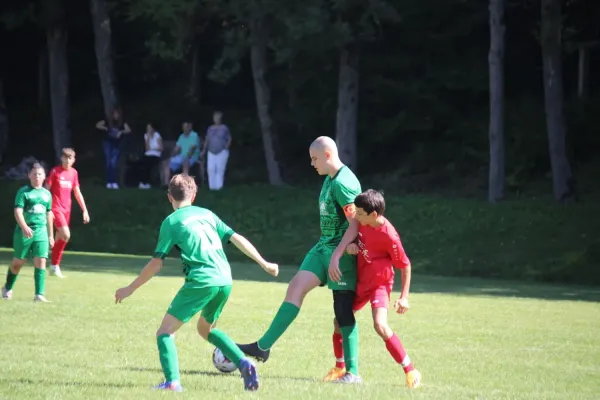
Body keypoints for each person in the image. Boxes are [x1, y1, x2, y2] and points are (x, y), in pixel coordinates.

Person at [114, 173, 279, 392]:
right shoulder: (207, 214)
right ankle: (244, 362)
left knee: (165, 332)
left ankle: (172, 383)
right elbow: (236, 237)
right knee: (206, 329)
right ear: (194, 195)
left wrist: (130, 288)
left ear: (169, 197)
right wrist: (264, 263)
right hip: (224, 279)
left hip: (201, 281)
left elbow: (156, 264)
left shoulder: (171, 222)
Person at [237, 136, 364, 384]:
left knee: (342, 312)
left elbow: (357, 225)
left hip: (342, 254)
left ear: (328, 155)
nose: (312, 164)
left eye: (314, 159)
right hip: (322, 248)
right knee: (295, 287)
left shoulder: (344, 183)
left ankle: (353, 373)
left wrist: (338, 256)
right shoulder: (329, 179)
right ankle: (262, 347)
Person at [323, 189, 422, 388]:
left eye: (359, 213)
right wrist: (351, 246)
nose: (355, 216)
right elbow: (354, 238)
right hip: (362, 282)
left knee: (380, 325)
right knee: (339, 322)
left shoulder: (390, 236)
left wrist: (404, 297)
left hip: (379, 284)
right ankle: (340, 367)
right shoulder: (361, 221)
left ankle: (410, 370)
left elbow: (405, 265)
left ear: (373, 215)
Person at [2, 163, 54, 302]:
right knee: (18, 262)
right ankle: (7, 287)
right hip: (24, 232)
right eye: (34, 174)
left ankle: (39, 294)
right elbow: (18, 211)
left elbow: (49, 214)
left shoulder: (47, 194)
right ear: (29, 175)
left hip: (41, 232)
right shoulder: (24, 192)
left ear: (44, 177)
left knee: (41, 261)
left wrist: (50, 235)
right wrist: (24, 227)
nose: (37, 176)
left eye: (40, 174)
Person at [46, 148, 90, 278]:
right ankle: (54, 264)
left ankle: (53, 265)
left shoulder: (73, 173)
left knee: (62, 237)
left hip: (67, 210)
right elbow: (46, 189)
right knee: (66, 234)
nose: (67, 160)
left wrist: (85, 210)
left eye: (70, 158)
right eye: (65, 157)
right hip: (56, 208)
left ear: (74, 160)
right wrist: (45, 207)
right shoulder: (55, 171)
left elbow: (77, 192)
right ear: (61, 158)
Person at [95, 108, 131, 189]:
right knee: (108, 162)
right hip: (107, 143)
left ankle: (114, 182)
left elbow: (128, 130)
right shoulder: (108, 121)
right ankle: (109, 182)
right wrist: (105, 128)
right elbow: (98, 125)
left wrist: (121, 132)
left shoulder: (121, 123)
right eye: (114, 114)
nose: (116, 115)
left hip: (116, 144)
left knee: (113, 163)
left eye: (117, 114)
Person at [162, 122, 200, 187]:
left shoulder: (194, 135)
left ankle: (185, 185)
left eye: (186, 127)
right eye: (183, 127)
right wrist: (171, 156)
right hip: (181, 156)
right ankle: (166, 184)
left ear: (190, 127)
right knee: (166, 162)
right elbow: (176, 149)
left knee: (185, 163)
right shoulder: (181, 136)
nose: (184, 129)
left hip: (192, 157)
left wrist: (187, 157)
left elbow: (192, 149)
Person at [201, 111, 231, 191]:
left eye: (218, 117)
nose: (216, 119)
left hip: (221, 151)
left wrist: (226, 147)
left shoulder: (224, 128)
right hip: (211, 152)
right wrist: (204, 150)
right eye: (215, 117)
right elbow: (207, 139)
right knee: (211, 169)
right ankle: (212, 188)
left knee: (220, 169)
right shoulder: (210, 128)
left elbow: (229, 138)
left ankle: (219, 187)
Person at [134, 123, 163, 188]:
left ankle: (146, 182)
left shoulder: (157, 135)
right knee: (141, 163)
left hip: (156, 155)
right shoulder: (146, 136)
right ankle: (142, 182)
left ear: (153, 129)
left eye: (149, 128)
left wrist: (152, 148)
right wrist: (149, 138)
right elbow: (147, 148)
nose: (148, 130)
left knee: (148, 164)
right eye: (147, 128)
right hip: (148, 154)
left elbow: (161, 148)